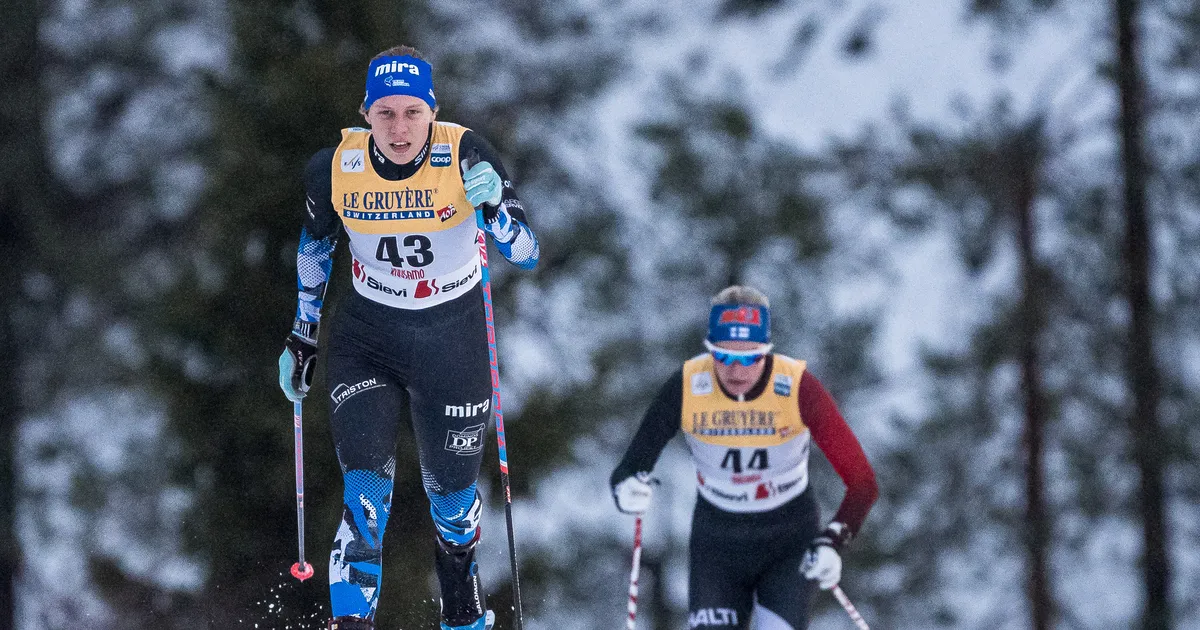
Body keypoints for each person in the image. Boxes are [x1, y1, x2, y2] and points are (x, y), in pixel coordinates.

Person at [277, 45, 539, 630]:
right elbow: (316, 247)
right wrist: (303, 332)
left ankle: (462, 605)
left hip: (453, 338)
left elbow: (526, 252)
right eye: (386, 113)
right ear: (366, 112)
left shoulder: (466, 152)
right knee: (365, 503)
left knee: (454, 512)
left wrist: (494, 207)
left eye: (412, 113)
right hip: (369, 335)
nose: (399, 128)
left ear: (433, 112)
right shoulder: (335, 168)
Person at [610, 286, 878, 630]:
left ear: (767, 352)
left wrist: (833, 541)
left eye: (751, 357)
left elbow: (862, 483)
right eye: (723, 357)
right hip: (717, 541)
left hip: (788, 538)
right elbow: (632, 466)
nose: (737, 371)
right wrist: (626, 488)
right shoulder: (689, 385)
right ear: (710, 351)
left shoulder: (798, 388)